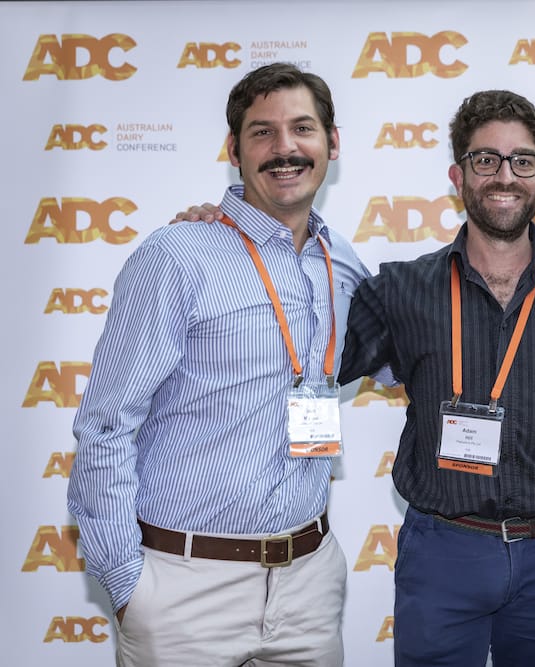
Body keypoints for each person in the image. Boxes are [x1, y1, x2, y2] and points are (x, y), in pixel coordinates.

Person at [67, 63, 369, 666]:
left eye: (302, 128)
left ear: (332, 143)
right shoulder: (177, 256)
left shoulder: (341, 264)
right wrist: (128, 586)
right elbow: (105, 423)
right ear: (233, 150)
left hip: (308, 584)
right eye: (262, 132)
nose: (284, 149)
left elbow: (396, 360)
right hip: (183, 588)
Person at [335, 90, 535, 667]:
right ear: (458, 174)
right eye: (485, 159)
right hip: (445, 549)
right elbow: (306, 357)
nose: (504, 175)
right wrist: (230, 239)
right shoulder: (399, 289)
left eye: (522, 161)